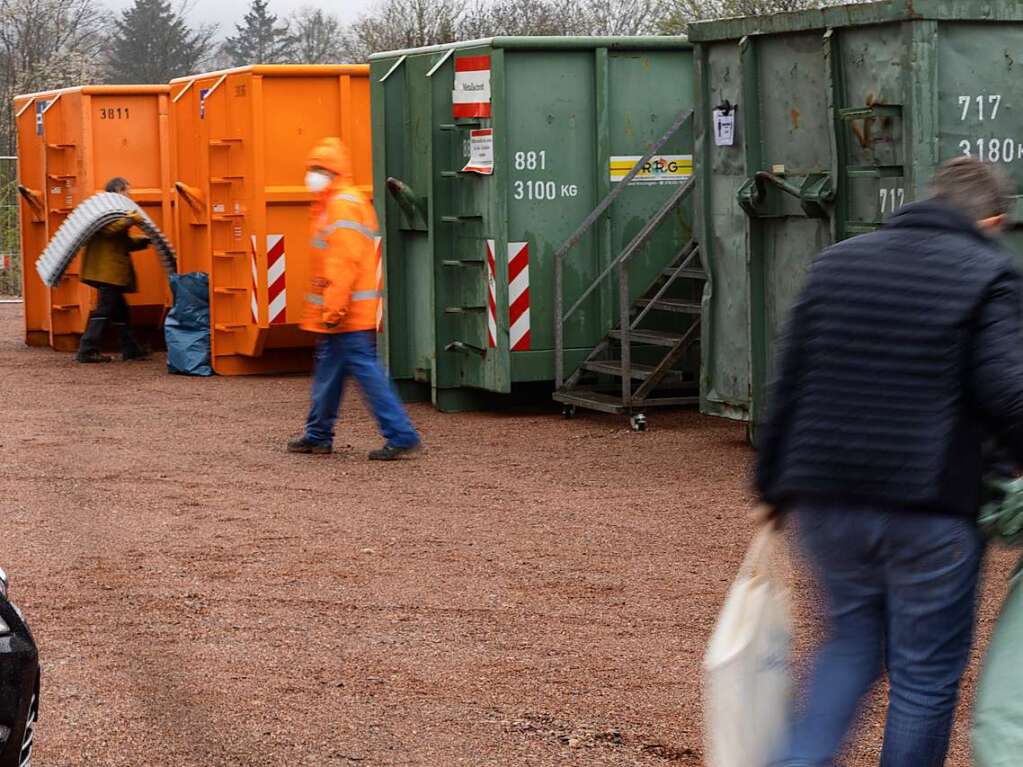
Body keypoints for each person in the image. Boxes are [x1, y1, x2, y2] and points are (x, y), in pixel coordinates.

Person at [755, 156, 1023, 766]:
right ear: (992, 219)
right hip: (930, 507)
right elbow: (1008, 392)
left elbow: (791, 381)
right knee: (923, 677)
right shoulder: (989, 272)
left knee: (848, 646)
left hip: (826, 502)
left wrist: (770, 485)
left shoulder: (836, 263)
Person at [287, 137, 420, 461]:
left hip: (345, 311)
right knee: (330, 372)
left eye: (319, 169)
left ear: (333, 171)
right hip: (344, 310)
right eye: (312, 168)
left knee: (365, 372)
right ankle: (318, 434)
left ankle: (401, 434)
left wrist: (333, 308)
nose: (313, 175)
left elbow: (343, 262)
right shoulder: (338, 201)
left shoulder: (341, 204)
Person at [76, 177, 151, 363]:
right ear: (118, 191)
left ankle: (130, 348)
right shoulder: (106, 211)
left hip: (108, 271)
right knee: (104, 310)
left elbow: (119, 243)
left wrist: (144, 241)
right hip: (107, 272)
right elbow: (108, 231)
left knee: (121, 311)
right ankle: (87, 349)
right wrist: (132, 218)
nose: (129, 195)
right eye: (126, 191)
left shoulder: (116, 213)